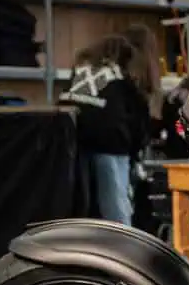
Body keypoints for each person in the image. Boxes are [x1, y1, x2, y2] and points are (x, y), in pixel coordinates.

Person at [60, 34, 151, 226]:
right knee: (115, 208)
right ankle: (122, 249)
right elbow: (138, 116)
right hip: (112, 145)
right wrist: (137, 149)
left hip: (75, 144)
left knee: (81, 206)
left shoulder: (79, 71)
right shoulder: (120, 76)